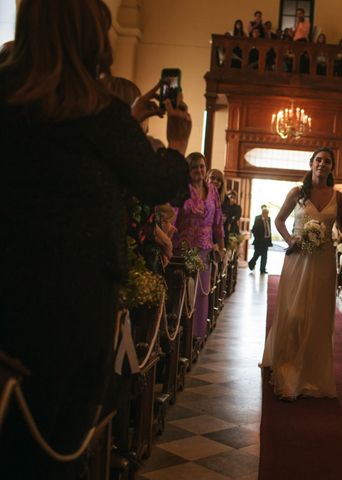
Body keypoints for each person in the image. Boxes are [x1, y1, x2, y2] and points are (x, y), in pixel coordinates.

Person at [0, 1, 191, 477]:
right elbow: (155, 182)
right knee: (53, 446)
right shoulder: (99, 112)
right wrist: (178, 143)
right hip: (72, 310)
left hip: (7, 299)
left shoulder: (8, 93)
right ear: (89, 35)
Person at [261, 148, 342, 400]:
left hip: (324, 262)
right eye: (318, 160)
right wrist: (290, 239)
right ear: (311, 164)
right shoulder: (297, 193)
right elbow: (279, 220)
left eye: (327, 161)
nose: (322, 164)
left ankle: (312, 374)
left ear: (332, 167)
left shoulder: (337, 197)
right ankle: (288, 372)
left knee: (318, 316)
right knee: (295, 313)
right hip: (298, 259)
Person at [173, 153, 224, 346]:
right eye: (195, 167)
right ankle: (181, 335)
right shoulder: (182, 190)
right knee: (184, 293)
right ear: (188, 170)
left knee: (201, 293)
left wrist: (221, 246)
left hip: (205, 248)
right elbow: (173, 217)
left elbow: (218, 221)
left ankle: (196, 336)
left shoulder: (212, 191)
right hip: (183, 248)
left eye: (202, 166)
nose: (199, 171)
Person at [248, 204, 273, 273]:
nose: (267, 215)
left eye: (268, 214)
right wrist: (257, 238)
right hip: (259, 240)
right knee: (257, 254)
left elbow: (269, 228)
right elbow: (254, 229)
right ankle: (251, 263)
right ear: (263, 213)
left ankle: (262, 269)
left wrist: (269, 239)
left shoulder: (269, 218)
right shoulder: (258, 218)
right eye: (266, 214)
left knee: (264, 255)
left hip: (266, 240)